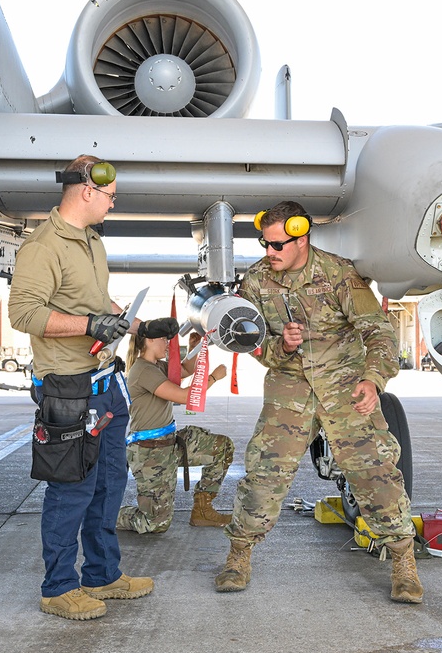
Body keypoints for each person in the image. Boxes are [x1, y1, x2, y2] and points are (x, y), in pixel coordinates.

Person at [215, 200, 423, 603]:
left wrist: (373, 379)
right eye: (264, 243)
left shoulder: (338, 274)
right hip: (289, 391)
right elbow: (249, 341)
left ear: (301, 238)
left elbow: (378, 332)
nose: (269, 253)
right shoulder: (256, 282)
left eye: (277, 246)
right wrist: (280, 346)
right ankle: (238, 556)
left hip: (345, 388)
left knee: (376, 474)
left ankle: (403, 561)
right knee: (264, 475)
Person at [8, 155, 153, 622]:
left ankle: (102, 575)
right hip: (69, 389)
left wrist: (123, 319)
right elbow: (24, 315)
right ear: (87, 192)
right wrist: (90, 323)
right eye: (110, 196)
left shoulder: (92, 241)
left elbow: (90, 303)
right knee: (71, 490)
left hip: (106, 382)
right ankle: (58, 588)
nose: (114, 203)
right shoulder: (42, 246)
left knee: (110, 484)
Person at [117, 318, 234, 534]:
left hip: (169, 444)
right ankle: (109, 514)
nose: (168, 344)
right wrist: (213, 378)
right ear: (150, 340)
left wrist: (194, 347)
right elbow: (184, 396)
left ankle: (202, 510)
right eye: (164, 339)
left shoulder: (156, 366)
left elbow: (184, 370)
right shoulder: (143, 370)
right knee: (155, 524)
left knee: (222, 447)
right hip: (150, 453)